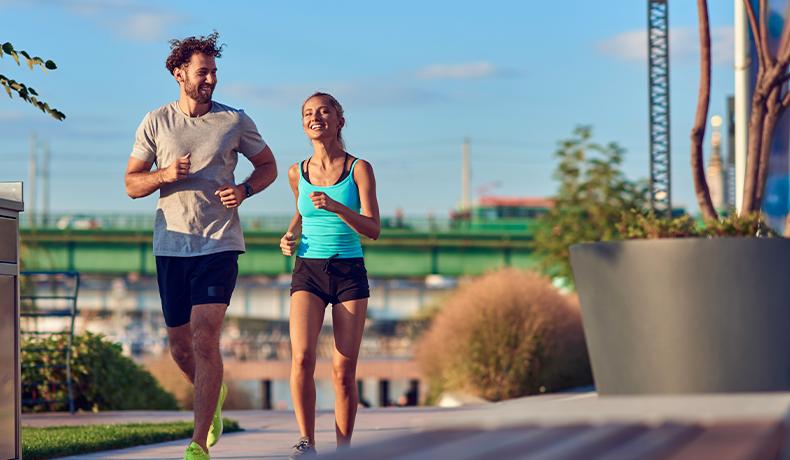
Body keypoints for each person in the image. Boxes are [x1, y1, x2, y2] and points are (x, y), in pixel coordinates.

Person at [124, 31, 277, 460]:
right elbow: (131, 184)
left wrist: (245, 190)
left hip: (219, 244)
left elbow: (268, 165)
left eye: (213, 72)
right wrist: (163, 175)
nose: (210, 79)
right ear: (179, 73)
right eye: (202, 72)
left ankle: (197, 444)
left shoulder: (234, 121)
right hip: (172, 245)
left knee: (205, 337)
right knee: (180, 348)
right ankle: (214, 395)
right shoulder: (156, 121)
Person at [280, 92, 380, 458]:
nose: (315, 117)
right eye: (308, 113)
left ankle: (344, 450)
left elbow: (373, 228)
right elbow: (302, 209)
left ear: (339, 121)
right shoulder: (297, 172)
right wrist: (290, 234)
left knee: (342, 370)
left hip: (348, 271)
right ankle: (306, 442)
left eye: (324, 111)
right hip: (308, 269)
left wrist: (338, 206)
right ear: (304, 124)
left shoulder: (359, 169)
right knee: (302, 358)